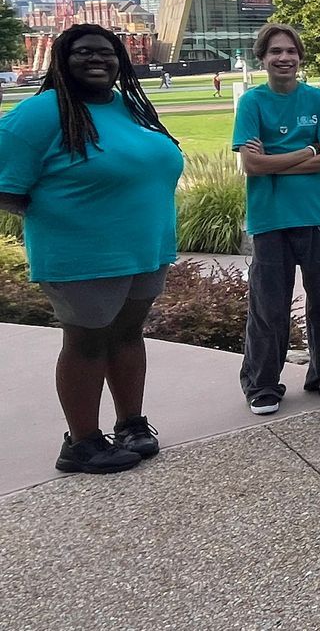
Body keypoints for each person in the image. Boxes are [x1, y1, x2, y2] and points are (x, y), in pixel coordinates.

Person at [0, 24, 183, 474]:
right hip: (81, 256)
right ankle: (81, 443)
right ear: (62, 59)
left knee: (127, 334)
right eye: (83, 52)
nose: (96, 59)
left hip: (144, 248)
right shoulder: (42, 113)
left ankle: (131, 425)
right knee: (85, 342)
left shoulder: (128, 107)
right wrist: (64, 218)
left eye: (107, 52)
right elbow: (6, 187)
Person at [233, 24, 320, 415]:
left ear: (300, 57)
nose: (284, 58)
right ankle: (262, 384)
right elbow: (251, 165)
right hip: (270, 220)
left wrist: (275, 161)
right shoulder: (252, 103)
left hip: (316, 215)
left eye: (291, 51)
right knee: (269, 306)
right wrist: (305, 152)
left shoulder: (318, 99)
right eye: (275, 52)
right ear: (262, 58)